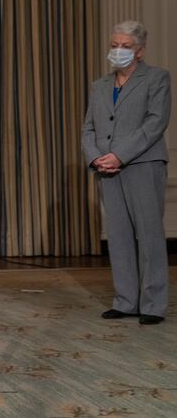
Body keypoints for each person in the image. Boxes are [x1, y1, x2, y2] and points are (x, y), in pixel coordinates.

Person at [82, 20, 171, 325]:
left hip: (143, 165)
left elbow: (155, 123)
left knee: (148, 236)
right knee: (118, 236)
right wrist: (96, 158)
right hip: (106, 169)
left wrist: (120, 155)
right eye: (114, 44)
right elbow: (88, 127)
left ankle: (152, 304)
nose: (118, 50)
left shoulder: (157, 78)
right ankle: (125, 300)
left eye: (126, 46)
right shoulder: (100, 85)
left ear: (140, 51)